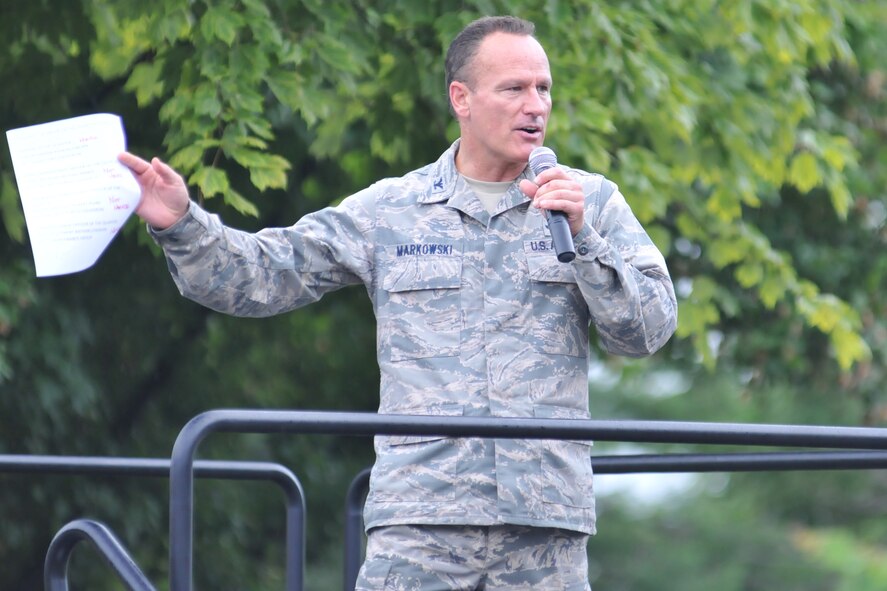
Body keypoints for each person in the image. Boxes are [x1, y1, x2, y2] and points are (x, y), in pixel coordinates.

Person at [120, 15, 677, 591]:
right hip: (421, 520)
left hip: (544, 523)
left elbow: (647, 331)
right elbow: (261, 275)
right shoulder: (392, 208)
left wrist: (584, 239)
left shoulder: (591, 202)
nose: (534, 104)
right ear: (461, 97)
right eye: (513, 88)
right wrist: (182, 224)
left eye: (543, 88)